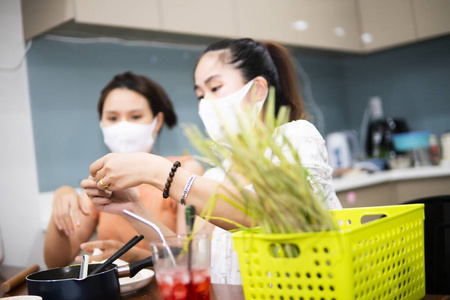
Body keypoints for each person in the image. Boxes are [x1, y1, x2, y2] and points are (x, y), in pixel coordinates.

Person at [81, 38, 342, 284]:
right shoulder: (218, 176)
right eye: (200, 95)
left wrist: (157, 171)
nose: (205, 104)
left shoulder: (295, 137)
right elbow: (190, 261)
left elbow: (270, 214)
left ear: (258, 89)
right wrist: (133, 208)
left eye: (215, 88)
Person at [44, 72, 203, 268]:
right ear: (102, 124)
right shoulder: (101, 181)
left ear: (157, 122)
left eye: (135, 116)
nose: (124, 126)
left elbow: (190, 261)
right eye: (112, 118)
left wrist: (132, 256)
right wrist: (61, 203)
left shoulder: (183, 172)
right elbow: (55, 261)